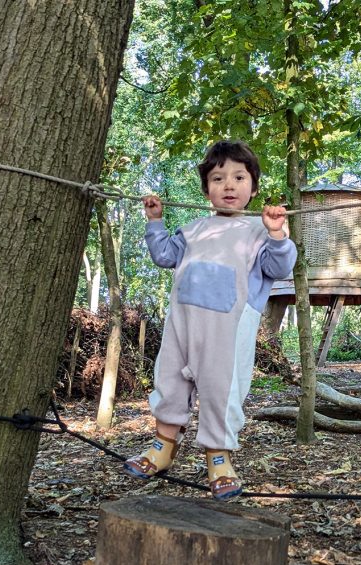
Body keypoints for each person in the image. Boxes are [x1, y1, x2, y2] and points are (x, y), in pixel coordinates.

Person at [124, 140, 298, 500]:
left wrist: (278, 233)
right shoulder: (193, 228)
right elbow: (164, 256)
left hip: (228, 329)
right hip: (183, 322)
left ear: (253, 187)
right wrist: (155, 222)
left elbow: (279, 267)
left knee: (222, 392)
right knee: (169, 380)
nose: (229, 185)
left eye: (238, 177)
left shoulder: (259, 231)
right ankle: (162, 447)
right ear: (206, 189)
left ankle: (219, 458)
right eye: (218, 179)